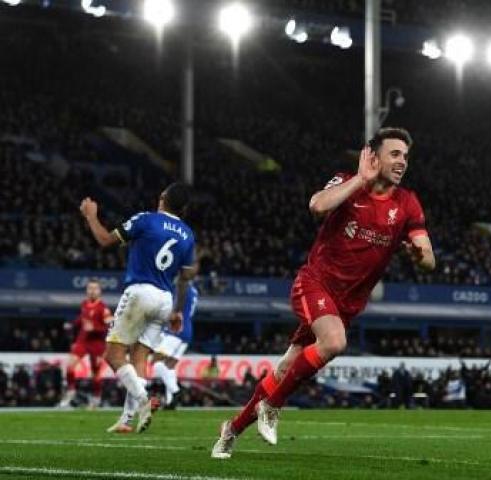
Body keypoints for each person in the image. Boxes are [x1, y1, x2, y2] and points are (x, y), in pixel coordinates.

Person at [212, 127, 436, 459]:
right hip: (315, 283)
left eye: (405, 156)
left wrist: (420, 256)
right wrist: (360, 179)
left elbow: (429, 258)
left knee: (288, 367)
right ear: (373, 157)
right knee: (334, 342)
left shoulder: (407, 203)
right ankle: (272, 406)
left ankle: (231, 430)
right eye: (394, 154)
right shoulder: (346, 182)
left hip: (347, 303)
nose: (402, 161)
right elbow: (317, 205)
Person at [79, 182, 196, 433]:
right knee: (140, 357)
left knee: (113, 355)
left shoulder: (146, 220)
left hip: (141, 292)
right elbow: (185, 279)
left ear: (162, 198)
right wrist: (177, 311)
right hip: (166, 299)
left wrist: (91, 215)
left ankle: (144, 399)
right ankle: (126, 420)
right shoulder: (188, 234)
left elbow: (104, 239)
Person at [58, 279, 113, 409]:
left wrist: (94, 328)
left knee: (96, 373)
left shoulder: (104, 309)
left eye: (95, 288)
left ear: (100, 291)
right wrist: (72, 325)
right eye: (90, 288)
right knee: (70, 366)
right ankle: (71, 391)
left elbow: (108, 328)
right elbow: (81, 319)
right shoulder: (84, 304)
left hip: (97, 343)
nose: (92, 291)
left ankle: (96, 398)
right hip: (83, 341)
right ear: (86, 290)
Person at [152, 281, 198, 409]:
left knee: (156, 362)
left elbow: (175, 308)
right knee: (169, 366)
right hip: (186, 328)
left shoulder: (181, 287)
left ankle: (176, 391)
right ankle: (171, 401)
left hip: (176, 329)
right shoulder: (193, 289)